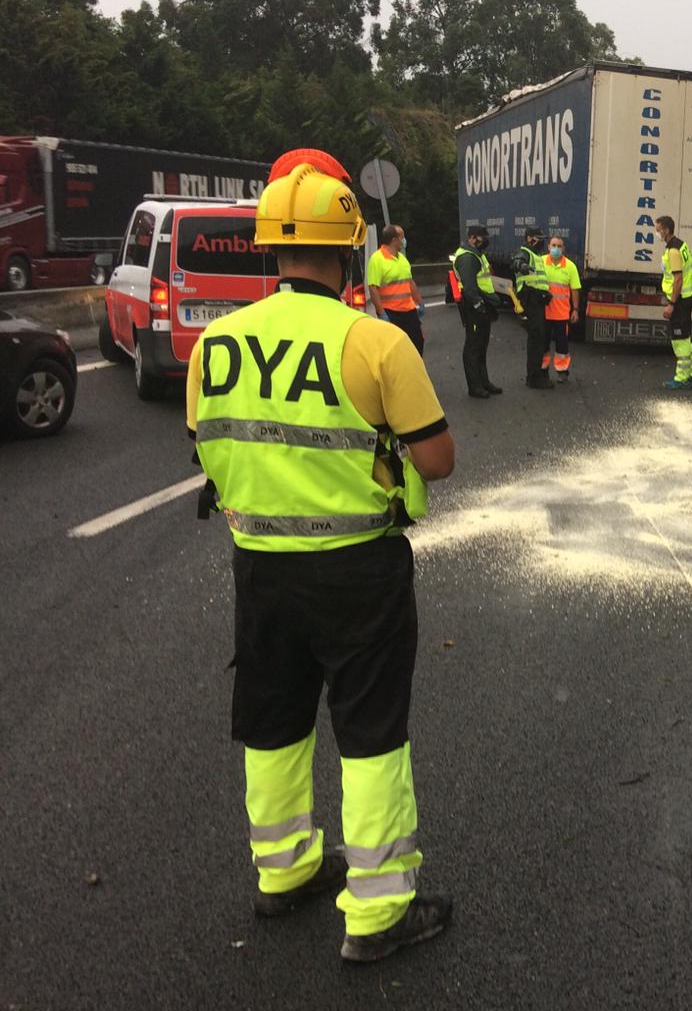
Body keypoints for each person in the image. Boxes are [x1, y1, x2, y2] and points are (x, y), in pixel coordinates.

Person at [187, 154, 455, 963]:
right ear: (349, 250)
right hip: (357, 571)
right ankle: (376, 915)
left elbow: (201, 443)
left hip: (259, 568)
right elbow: (436, 459)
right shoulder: (373, 342)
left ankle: (285, 872)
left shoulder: (217, 343)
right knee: (371, 733)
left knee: (273, 723)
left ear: (271, 249)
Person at [450, 225, 501, 398]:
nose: (485, 240)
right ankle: (475, 387)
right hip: (474, 308)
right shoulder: (467, 258)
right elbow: (470, 287)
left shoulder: (477, 255)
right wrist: (479, 305)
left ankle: (484, 382)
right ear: (472, 238)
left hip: (482, 305)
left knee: (481, 346)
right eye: (482, 237)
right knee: (473, 346)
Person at [656, 215, 692, 389]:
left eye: (659, 229)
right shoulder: (680, 245)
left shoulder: (673, 251)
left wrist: (671, 304)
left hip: (680, 301)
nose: (657, 233)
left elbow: (678, 279)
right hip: (686, 297)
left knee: (679, 339)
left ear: (667, 230)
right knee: (684, 337)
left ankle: (682, 376)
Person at [366, 225, 425, 355]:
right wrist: (381, 313)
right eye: (401, 236)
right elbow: (373, 288)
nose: (404, 240)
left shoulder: (402, 258)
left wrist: (420, 302)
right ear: (394, 240)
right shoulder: (377, 259)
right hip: (391, 312)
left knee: (417, 343)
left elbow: (410, 282)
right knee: (396, 349)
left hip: (409, 310)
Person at [540, 235, 582, 383]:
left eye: (559, 246)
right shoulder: (541, 263)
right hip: (543, 312)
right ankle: (542, 370)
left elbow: (575, 289)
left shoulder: (570, 266)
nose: (556, 249)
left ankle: (562, 371)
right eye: (553, 245)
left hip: (561, 314)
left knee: (562, 345)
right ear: (548, 247)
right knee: (543, 343)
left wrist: (575, 310)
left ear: (563, 249)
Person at [514, 226, 552, 389]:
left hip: (536, 301)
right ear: (529, 238)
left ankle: (535, 375)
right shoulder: (525, 253)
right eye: (539, 238)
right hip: (530, 301)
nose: (541, 241)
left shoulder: (536, 256)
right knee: (536, 340)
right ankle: (534, 378)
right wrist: (521, 266)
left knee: (538, 339)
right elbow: (516, 262)